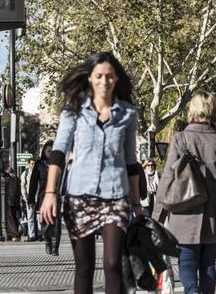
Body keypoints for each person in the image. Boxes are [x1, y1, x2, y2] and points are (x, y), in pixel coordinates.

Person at [39, 52, 142, 294]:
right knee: (84, 266)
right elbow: (59, 152)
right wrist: (50, 193)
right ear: (90, 79)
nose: (104, 81)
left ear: (116, 79)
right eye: (99, 76)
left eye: (109, 76)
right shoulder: (73, 111)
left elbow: (131, 162)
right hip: (79, 197)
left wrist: (136, 204)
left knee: (113, 264)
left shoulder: (127, 114)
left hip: (115, 196)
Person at [153, 91, 216, 294]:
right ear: (213, 111)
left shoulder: (180, 139)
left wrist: (156, 217)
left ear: (192, 111)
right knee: (208, 265)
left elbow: (168, 179)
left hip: (185, 212)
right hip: (214, 214)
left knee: (187, 263)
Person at [29, 140, 54, 241]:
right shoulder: (39, 164)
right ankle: (47, 239)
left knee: (54, 221)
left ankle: (54, 243)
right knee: (43, 220)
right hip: (43, 196)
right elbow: (33, 183)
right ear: (44, 151)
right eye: (48, 151)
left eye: (53, 151)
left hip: (56, 196)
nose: (50, 153)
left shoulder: (58, 163)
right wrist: (31, 199)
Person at [21, 158, 38, 241]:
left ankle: (40, 234)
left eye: (35, 164)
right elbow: (23, 187)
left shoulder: (38, 173)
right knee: (30, 217)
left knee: (39, 217)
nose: (34, 165)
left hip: (38, 197)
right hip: (29, 198)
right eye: (32, 164)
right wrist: (25, 198)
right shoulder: (25, 174)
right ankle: (32, 235)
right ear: (28, 164)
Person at [5, 168, 22, 242]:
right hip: (16, 201)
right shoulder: (17, 179)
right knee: (14, 217)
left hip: (9, 200)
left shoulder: (9, 179)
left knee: (10, 218)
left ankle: (15, 234)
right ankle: (14, 234)